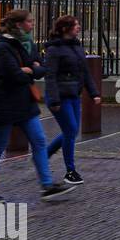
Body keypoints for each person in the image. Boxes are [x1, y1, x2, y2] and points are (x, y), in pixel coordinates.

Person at [0, 9, 71, 203]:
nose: (33, 24)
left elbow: (40, 68)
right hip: (3, 103)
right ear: (19, 24)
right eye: (30, 21)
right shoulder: (1, 46)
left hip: (24, 102)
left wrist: (30, 68)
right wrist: (29, 69)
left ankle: (47, 185)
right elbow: (14, 74)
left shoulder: (24, 43)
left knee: (38, 140)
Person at [43, 15, 102, 185]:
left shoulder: (77, 46)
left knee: (72, 131)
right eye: (75, 25)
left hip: (73, 94)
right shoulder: (54, 49)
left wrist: (93, 92)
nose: (79, 27)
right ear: (65, 28)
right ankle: (70, 171)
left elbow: (84, 72)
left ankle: (44, 155)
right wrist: (54, 100)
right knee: (70, 131)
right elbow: (50, 76)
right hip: (60, 96)